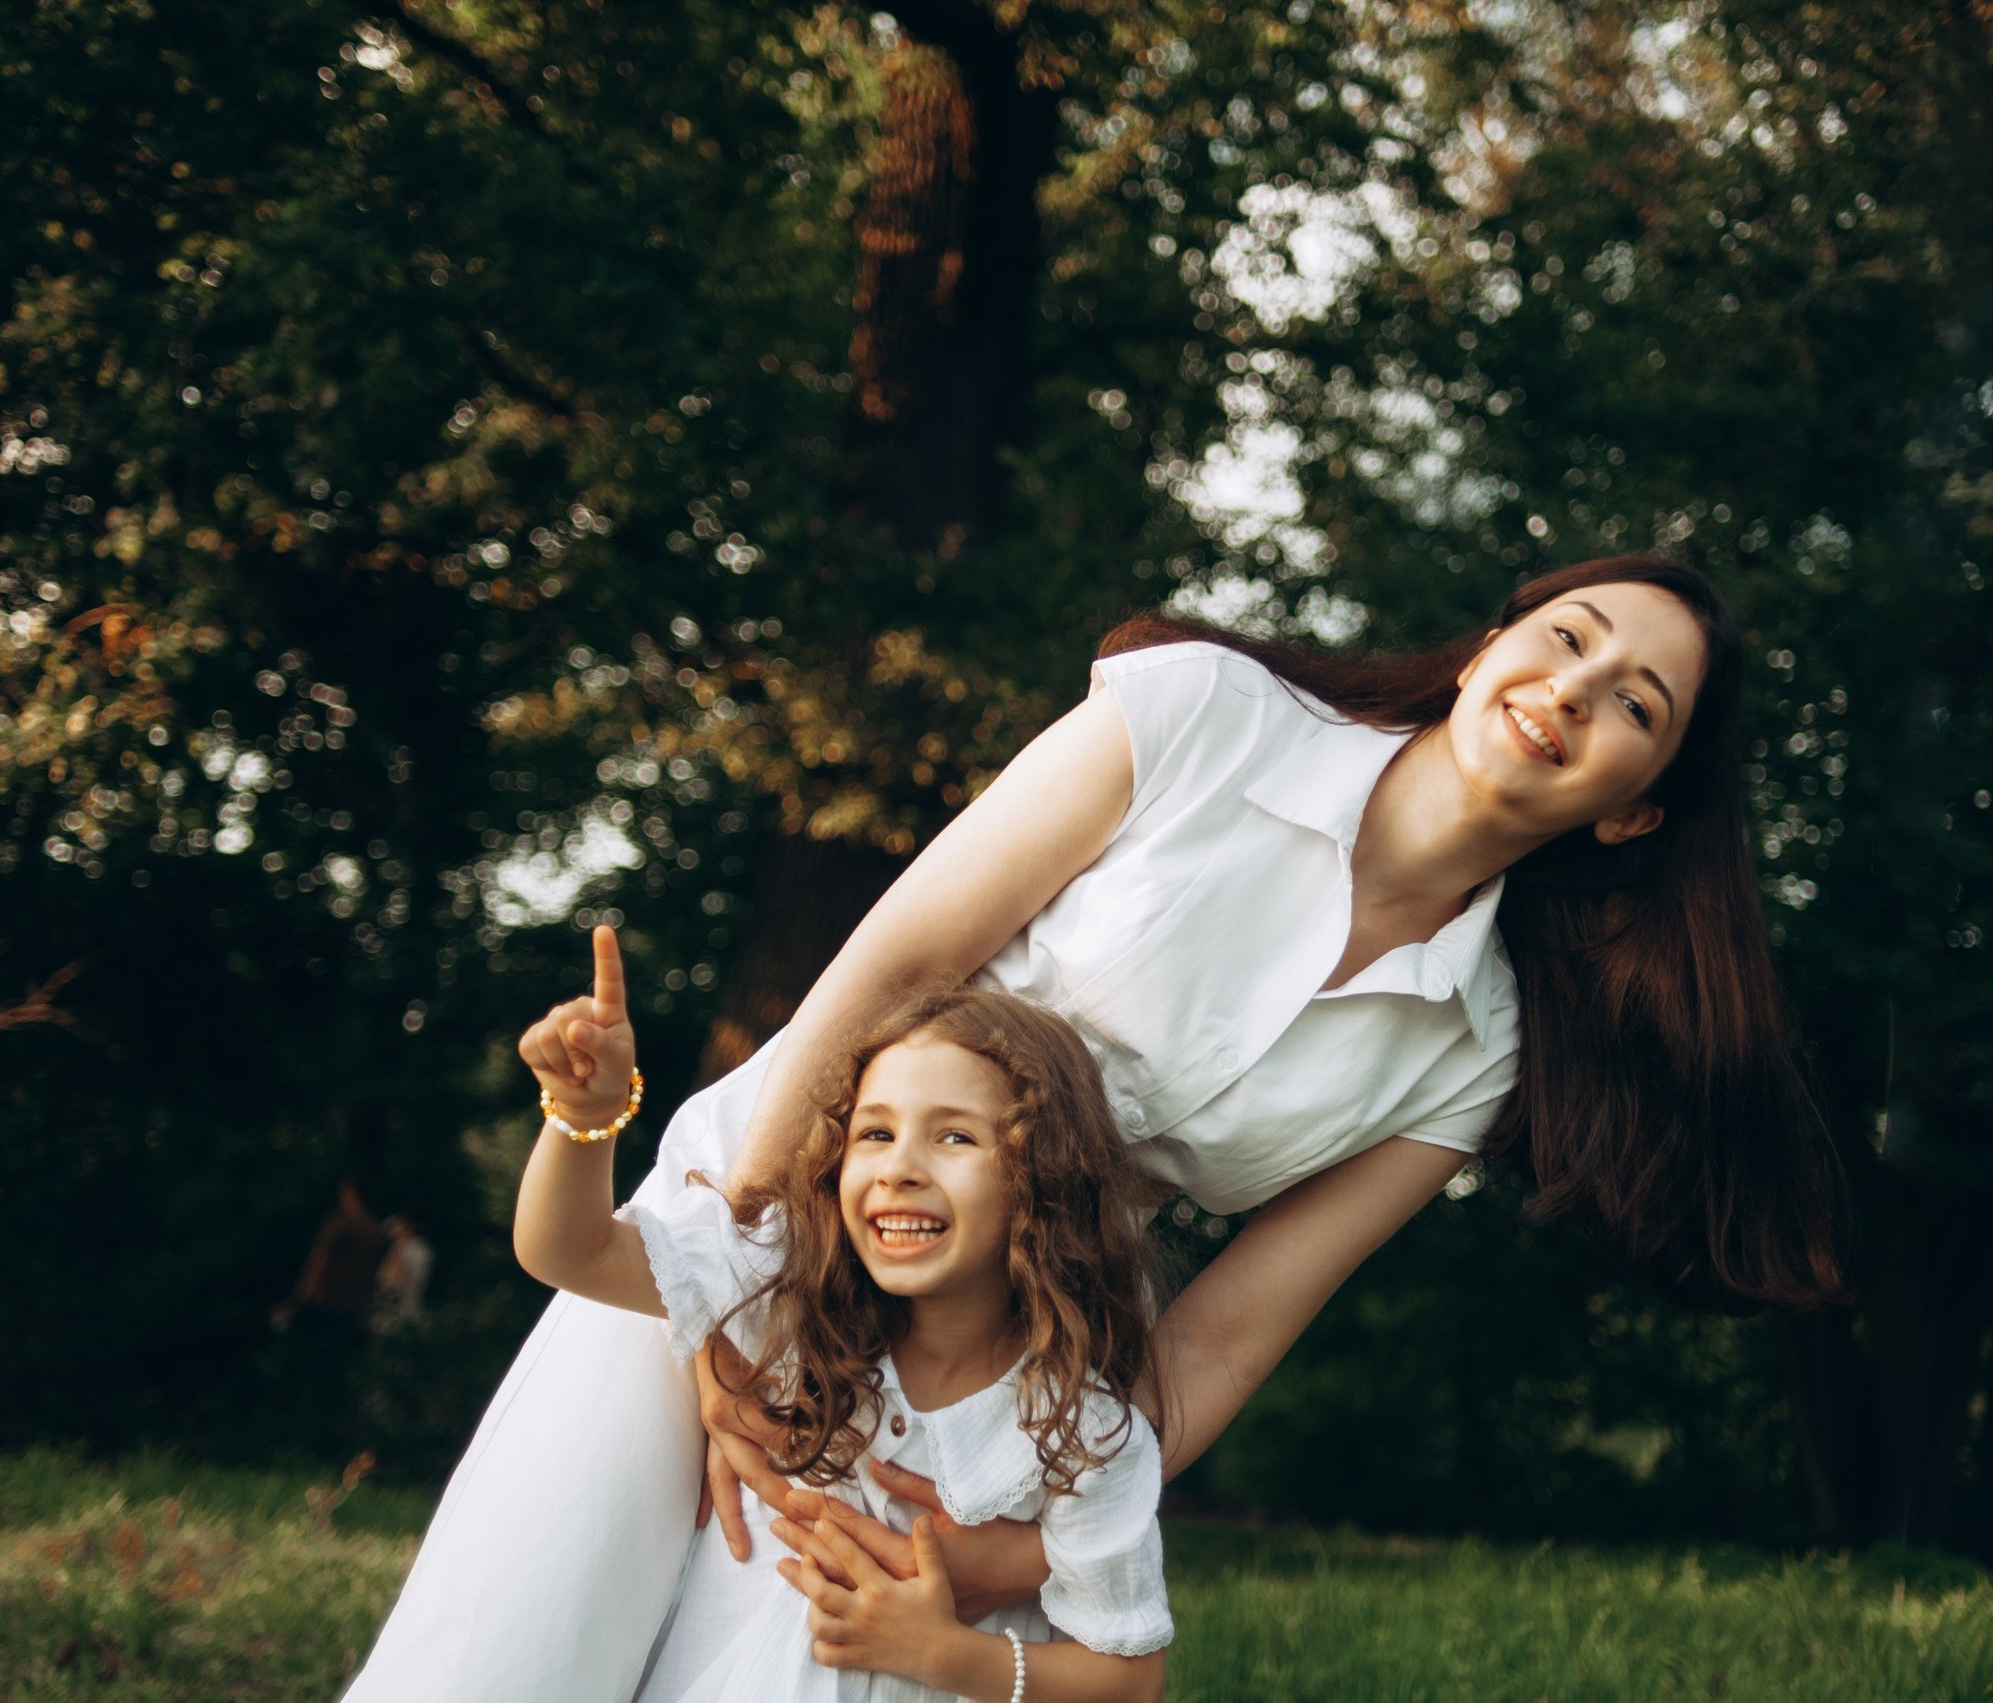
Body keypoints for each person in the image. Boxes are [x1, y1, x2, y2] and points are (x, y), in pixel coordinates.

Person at [344, 555, 1846, 1700]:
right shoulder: (1203, 714)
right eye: (1569, 635)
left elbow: (1224, 1334)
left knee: (784, 1666)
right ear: (1488, 651)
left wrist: (1040, 1530)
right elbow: (899, 962)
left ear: (1637, 809)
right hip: (788, 1189)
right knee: (524, 1628)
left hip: (999, 1368)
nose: (1578, 688)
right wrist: (728, 1287)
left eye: (1637, 702)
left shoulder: (1477, 1045)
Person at [510, 979, 1169, 1702]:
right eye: (876, 1133)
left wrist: (944, 1654)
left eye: (954, 1135)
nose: (901, 1167)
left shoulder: (1084, 1429)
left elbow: (1128, 1678)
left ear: (1043, 1176)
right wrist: (583, 1117)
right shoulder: (788, 1295)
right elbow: (570, 1252)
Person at [272, 1177, 386, 1337]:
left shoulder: (339, 1224)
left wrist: (298, 1300)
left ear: (351, 1193)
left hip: (325, 1302)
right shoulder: (378, 1233)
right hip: (356, 1308)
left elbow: (318, 1261)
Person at [372, 1214, 434, 1333]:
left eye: (393, 1227)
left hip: (393, 1315)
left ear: (405, 1227)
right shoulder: (424, 1251)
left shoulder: (400, 1251)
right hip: (415, 1311)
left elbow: (391, 1285)